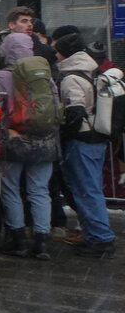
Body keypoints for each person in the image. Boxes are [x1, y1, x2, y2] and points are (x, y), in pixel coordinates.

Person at [0, 32, 57, 260]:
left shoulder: (2, 76)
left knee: (11, 189)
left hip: (15, 139)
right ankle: (42, 242)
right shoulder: (44, 75)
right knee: (39, 190)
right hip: (44, 139)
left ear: (7, 50)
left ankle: (18, 240)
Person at [55, 32, 117, 258]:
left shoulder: (71, 77)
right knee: (91, 189)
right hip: (98, 138)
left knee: (87, 191)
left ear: (64, 53)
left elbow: (75, 113)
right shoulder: (93, 69)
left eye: (57, 50)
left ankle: (101, 240)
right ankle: (95, 236)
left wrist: (64, 136)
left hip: (82, 140)